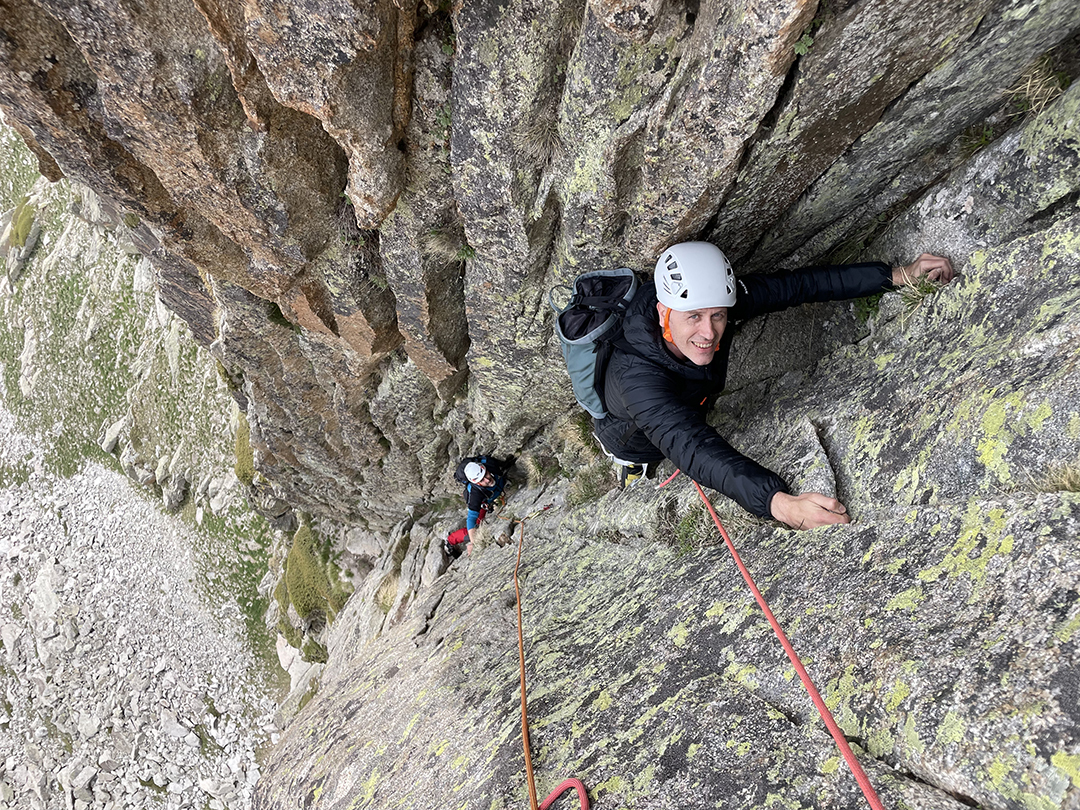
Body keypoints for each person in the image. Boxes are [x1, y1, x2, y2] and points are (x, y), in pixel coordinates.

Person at [594, 242, 954, 529]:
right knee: (642, 450)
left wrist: (894, 275)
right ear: (663, 313)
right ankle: (630, 465)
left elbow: (798, 285)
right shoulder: (636, 378)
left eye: (718, 315)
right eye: (694, 318)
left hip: (687, 399)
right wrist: (778, 503)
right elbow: (688, 446)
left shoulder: (710, 303)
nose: (709, 332)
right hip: (631, 431)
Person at [460, 456, 511, 550]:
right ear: (477, 483)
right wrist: (473, 543)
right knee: (477, 524)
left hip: (494, 493)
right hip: (483, 503)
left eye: (486, 475)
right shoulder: (475, 495)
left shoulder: (491, 464)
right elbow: (471, 519)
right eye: (482, 480)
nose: (487, 480)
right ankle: (451, 540)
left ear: (486, 469)